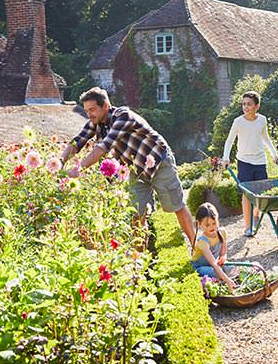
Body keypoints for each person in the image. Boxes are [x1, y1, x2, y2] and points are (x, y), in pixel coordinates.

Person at [61, 87, 195, 246]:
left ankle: (198, 249)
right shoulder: (95, 123)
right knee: (136, 215)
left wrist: (78, 168)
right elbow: (78, 142)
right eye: (86, 111)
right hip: (135, 171)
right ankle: (138, 262)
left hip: (158, 162)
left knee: (176, 206)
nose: (89, 114)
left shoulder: (123, 116)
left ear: (105, 106)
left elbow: (103, 147)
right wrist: (59, 163)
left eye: (92, 109)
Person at [221, 91, 278, 237]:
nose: (246, 107)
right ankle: (247, 226)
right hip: (244, 161)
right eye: (244, 104)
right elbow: (229, 141)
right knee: (247, 195)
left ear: (257, 106)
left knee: (259, 193)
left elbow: (266, 139)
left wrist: (274, 154)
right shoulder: (238, 122)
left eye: (249, 104)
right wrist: (225, 158)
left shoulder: (262, 120)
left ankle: (255, 216)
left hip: (260, 161)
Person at [191, 203, 237, 292]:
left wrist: (223, 258)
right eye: (207, 225)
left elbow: (223, 252)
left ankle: (220, 279)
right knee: (216, 273)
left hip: (214, 263)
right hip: (201, 266)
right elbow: (213, 264)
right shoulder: (203, 242)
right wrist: (227, 280)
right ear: (199, 224)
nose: (211, 227)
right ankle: (217, 280)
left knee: (231, 267)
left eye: (214, 223)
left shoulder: (222, 232)